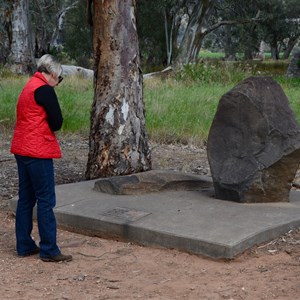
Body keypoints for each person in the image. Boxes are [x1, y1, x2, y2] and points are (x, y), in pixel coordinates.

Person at [10, 54, 72, 262]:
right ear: (53, 74)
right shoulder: (45, 90)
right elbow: (57, 122)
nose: (58, 83)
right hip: (38, 150)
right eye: (59, 79)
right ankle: (49, 249)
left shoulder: (28, 86)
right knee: (46, 200)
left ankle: (24, 244)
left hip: (21, 148)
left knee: (26, 198)